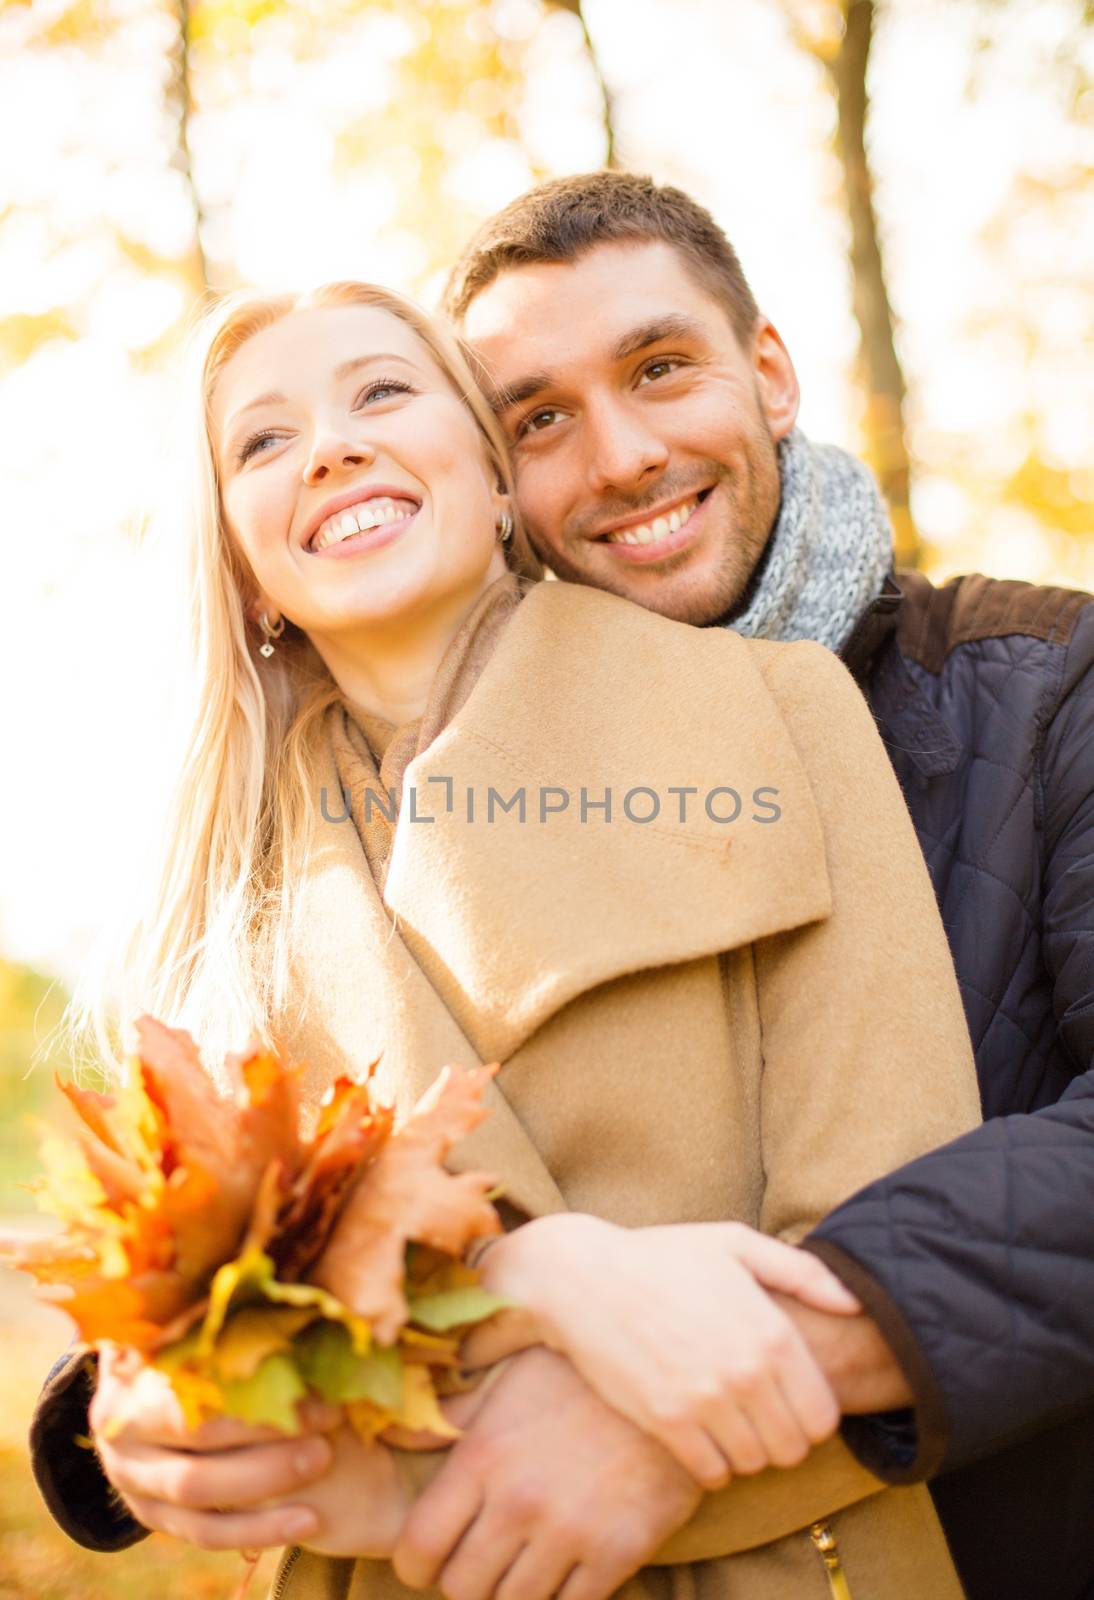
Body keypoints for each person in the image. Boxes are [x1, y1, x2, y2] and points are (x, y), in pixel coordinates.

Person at [27, 277, 983, 1600]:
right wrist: (531, 1276)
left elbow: (888, 1258)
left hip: (781, 1555)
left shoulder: (774, 709)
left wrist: (411, 1481)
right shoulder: (216, 889)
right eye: (261, 438)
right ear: (242, 565)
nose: (331, 445)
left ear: (491, 478)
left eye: (382, 391)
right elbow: (229, 1349)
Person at [404, 170, 1091, 1600]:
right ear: (492, 482)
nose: (621, 456)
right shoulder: (438, 795)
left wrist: (693, 1398)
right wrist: (132, 1385)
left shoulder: (1044, 686)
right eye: (538, 418)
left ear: (766, 373)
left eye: (660, 369)